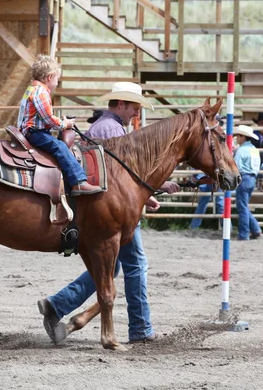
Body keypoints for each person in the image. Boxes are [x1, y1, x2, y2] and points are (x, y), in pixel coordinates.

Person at [37, 82, 181, 344]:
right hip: (113, 212)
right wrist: (147, 193)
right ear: (122, 104)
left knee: (110, 269)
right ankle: (139, 328)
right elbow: (115, 179)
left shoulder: (110, 127)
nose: (136, 113)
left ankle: (57, 306)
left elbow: (121, 178)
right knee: (134, 265)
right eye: (135, 107)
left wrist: (148, 193)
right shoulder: (111, 129)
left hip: (112, 208)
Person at [18, 55, 100, 196]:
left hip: (32, 130)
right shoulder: (41, 92)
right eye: (57, 79)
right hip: (35, 132)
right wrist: (64, 124)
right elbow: (48, 119)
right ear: (50, 77)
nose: (57, 83)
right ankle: (78, 181)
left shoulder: (32, 89)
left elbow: (42, 116)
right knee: (59, 146)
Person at [233, 125, 262, 240]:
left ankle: (244, 234)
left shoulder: (241, 150)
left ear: (243, 137)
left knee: (242, 207)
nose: (237, 138)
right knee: (244, 206)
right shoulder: (254, 150)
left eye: (238, 136)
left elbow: (236, 167)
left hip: (244, 178)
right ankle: (255, 230)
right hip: (252, 179)